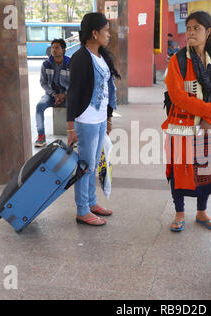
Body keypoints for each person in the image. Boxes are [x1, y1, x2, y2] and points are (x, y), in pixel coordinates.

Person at [162, 11, 211, 232]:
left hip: (207, 127)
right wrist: (210, 110)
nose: (190, 32)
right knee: (180, 171)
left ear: (208, 32)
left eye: (196, 28)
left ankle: (201, 212)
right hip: (181, 126)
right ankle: (179, 213)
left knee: (205, 171)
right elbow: (178, 96)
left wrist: (209, 118)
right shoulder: (177, 60)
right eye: (189, 28)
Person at [66, 12, 120, 226]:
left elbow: (107, 90)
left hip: (98, 118)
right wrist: (71, 128)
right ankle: (82, 209)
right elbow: (74, 92)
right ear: (94, 33)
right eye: (106, 30)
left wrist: (107, 117)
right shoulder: (81, 57)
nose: (109, 34)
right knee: (85, 166)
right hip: (85, 119)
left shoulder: (101, 56)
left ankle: (91, 202)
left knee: (94, 163)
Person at [34, 39, 70, 147]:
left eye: (57, 48)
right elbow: (43, 83)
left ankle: (74, 136)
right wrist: (53, 94)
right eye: (53, 47)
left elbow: (75, 83)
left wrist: (65, 94)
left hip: (67, 95)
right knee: (39, 106)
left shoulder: (71, 63)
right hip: (50, 95)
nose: (54, 50)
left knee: (76, 106)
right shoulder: (46, 64)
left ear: (63, 50)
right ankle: (41, 137)